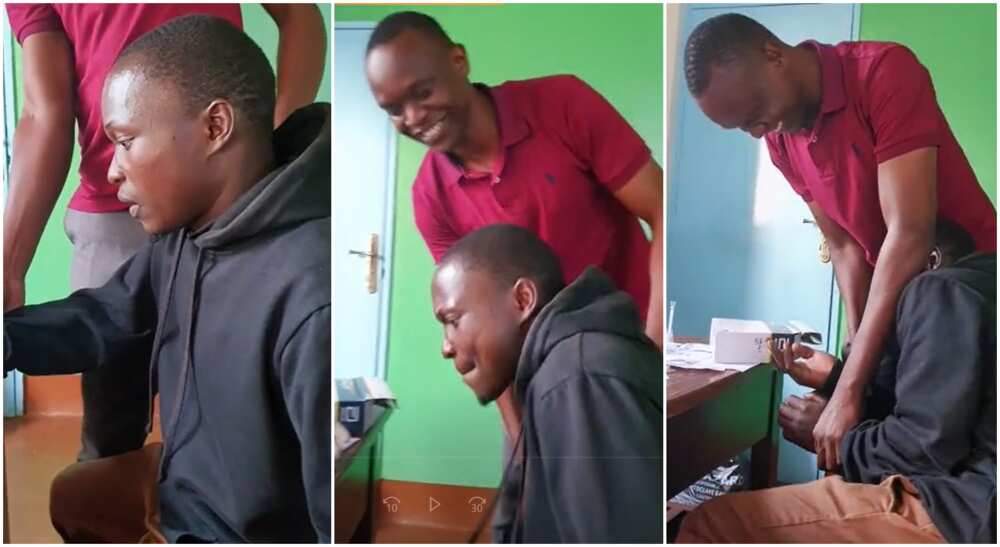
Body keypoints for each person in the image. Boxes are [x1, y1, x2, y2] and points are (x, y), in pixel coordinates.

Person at [3, 15, 330, 542]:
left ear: (214, 127)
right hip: (183, 502)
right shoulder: (183, 238)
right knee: (78, 493)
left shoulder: (311, 295)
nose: (111, 170)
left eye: (126, 141)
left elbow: (323, 510)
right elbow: (104, 316)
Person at [682, 13, 997, 473]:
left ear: (773, 56)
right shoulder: (781, 140)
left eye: (754, 114)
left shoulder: (883, 71)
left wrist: (850, 389)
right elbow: (847, 247)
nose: (757, 132)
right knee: (863, 430)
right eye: (743, 128)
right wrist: (849, 364)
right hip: (907, 295)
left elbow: (909, 233)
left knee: (940, 450)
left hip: (964, 290)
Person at [365, 10, 664, 448]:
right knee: (532, 504)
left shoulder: (562, 104)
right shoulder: (430, 197)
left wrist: (652, 355)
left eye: (422, 92)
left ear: (458, 61)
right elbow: (478, 322)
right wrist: (520, 434)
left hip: (626, 354)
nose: (412, 118)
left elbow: (659, 208)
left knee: (626, 499)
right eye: (393, 110)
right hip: (536, 384)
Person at [677, 223, 995, 543]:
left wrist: (839, 444)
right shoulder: (981, 285)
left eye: (879, 269)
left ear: (930, 259)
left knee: (713, 523)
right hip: (973, 499)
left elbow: (923, 452)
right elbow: (945, 419)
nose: (875, 292)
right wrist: (834, 380)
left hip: (969, 512)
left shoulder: (942, 290)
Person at [430, 224, 662, 543]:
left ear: (523, 299)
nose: (446, 347)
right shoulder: (550, 370)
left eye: (453, 321)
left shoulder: (578, 378)